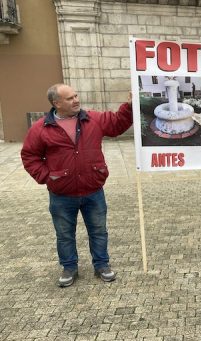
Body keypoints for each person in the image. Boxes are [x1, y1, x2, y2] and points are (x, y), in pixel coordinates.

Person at [21, 83, 133, 287]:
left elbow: (117, 124)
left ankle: (102, 265)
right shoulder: (41, 128)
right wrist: (48, 177)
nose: (76, 100)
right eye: (70, 98)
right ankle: (69, 267)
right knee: (64, 234)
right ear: (56, 103)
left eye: (76, 96)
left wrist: (131, 106)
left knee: (99, 230)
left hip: (93, 190)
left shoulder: (93, 119)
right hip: (61, 195)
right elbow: (30, 156)